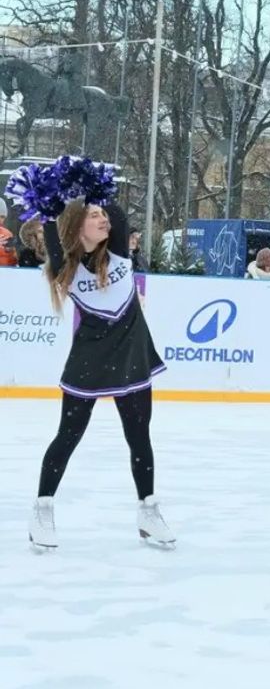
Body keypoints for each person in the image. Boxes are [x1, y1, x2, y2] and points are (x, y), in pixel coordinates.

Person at [29, 199, 173, 549]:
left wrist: (98, 190)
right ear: (78, 226)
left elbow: (120, 214)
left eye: (103, 214)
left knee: (139, 436)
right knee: (68, 435)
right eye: (94, 216)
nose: (103, 219)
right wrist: (50, 206)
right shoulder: (68, 266)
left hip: (132, 355)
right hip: (90, 359)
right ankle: (43, 508)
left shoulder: (120, 250)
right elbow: (53, 236)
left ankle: (148, 510)